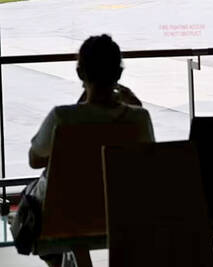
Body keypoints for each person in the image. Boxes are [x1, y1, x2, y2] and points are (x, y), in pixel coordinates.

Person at [26, 35, 154, 265]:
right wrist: (135, 106)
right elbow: (147, 161)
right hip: (120, 212)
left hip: (65, 215)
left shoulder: (62, 118)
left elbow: (34, 160)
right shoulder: (139, 119)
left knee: (43, 196)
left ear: (80, 73)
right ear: (119, 74)